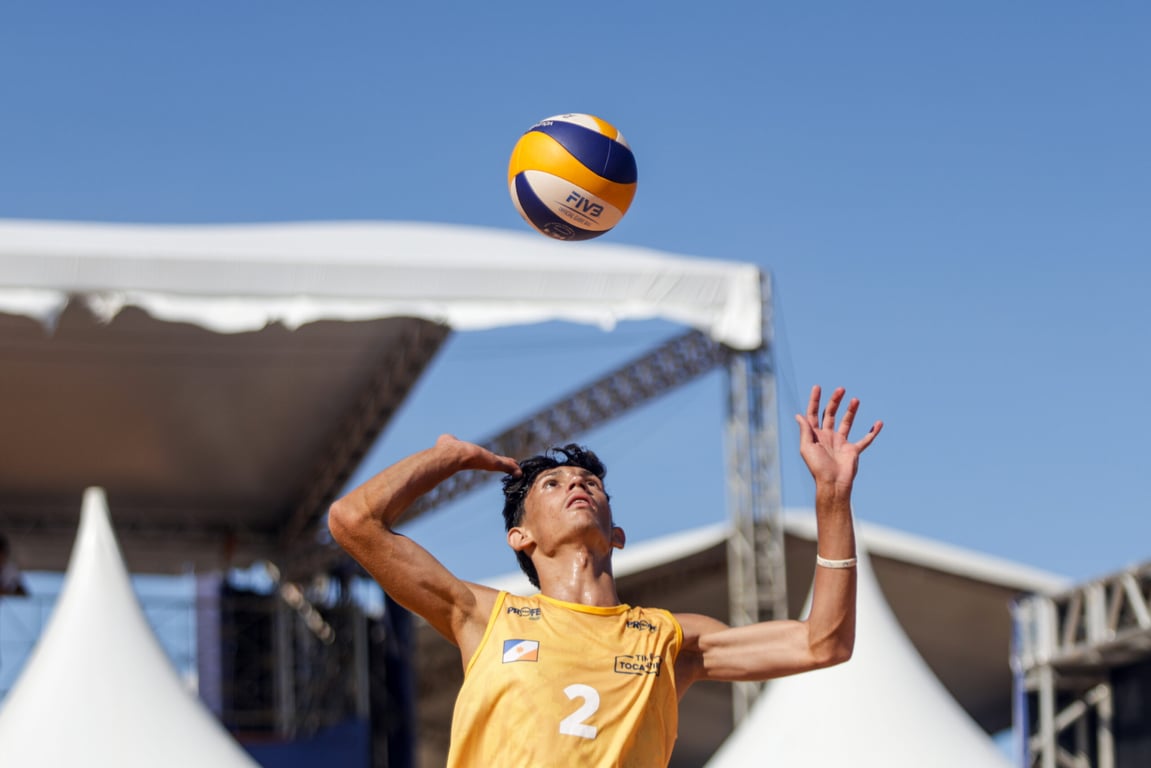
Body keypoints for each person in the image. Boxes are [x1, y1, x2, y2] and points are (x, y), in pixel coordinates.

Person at [329, 385, 882, 767]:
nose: (576, 484)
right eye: (552, 484)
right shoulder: (484, 616)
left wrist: (832, 499)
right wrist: (442, 459)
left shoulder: (669, 639)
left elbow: (824, 642)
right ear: (520, 538)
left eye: (590, 483)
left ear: (617, 533)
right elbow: (354, 522)